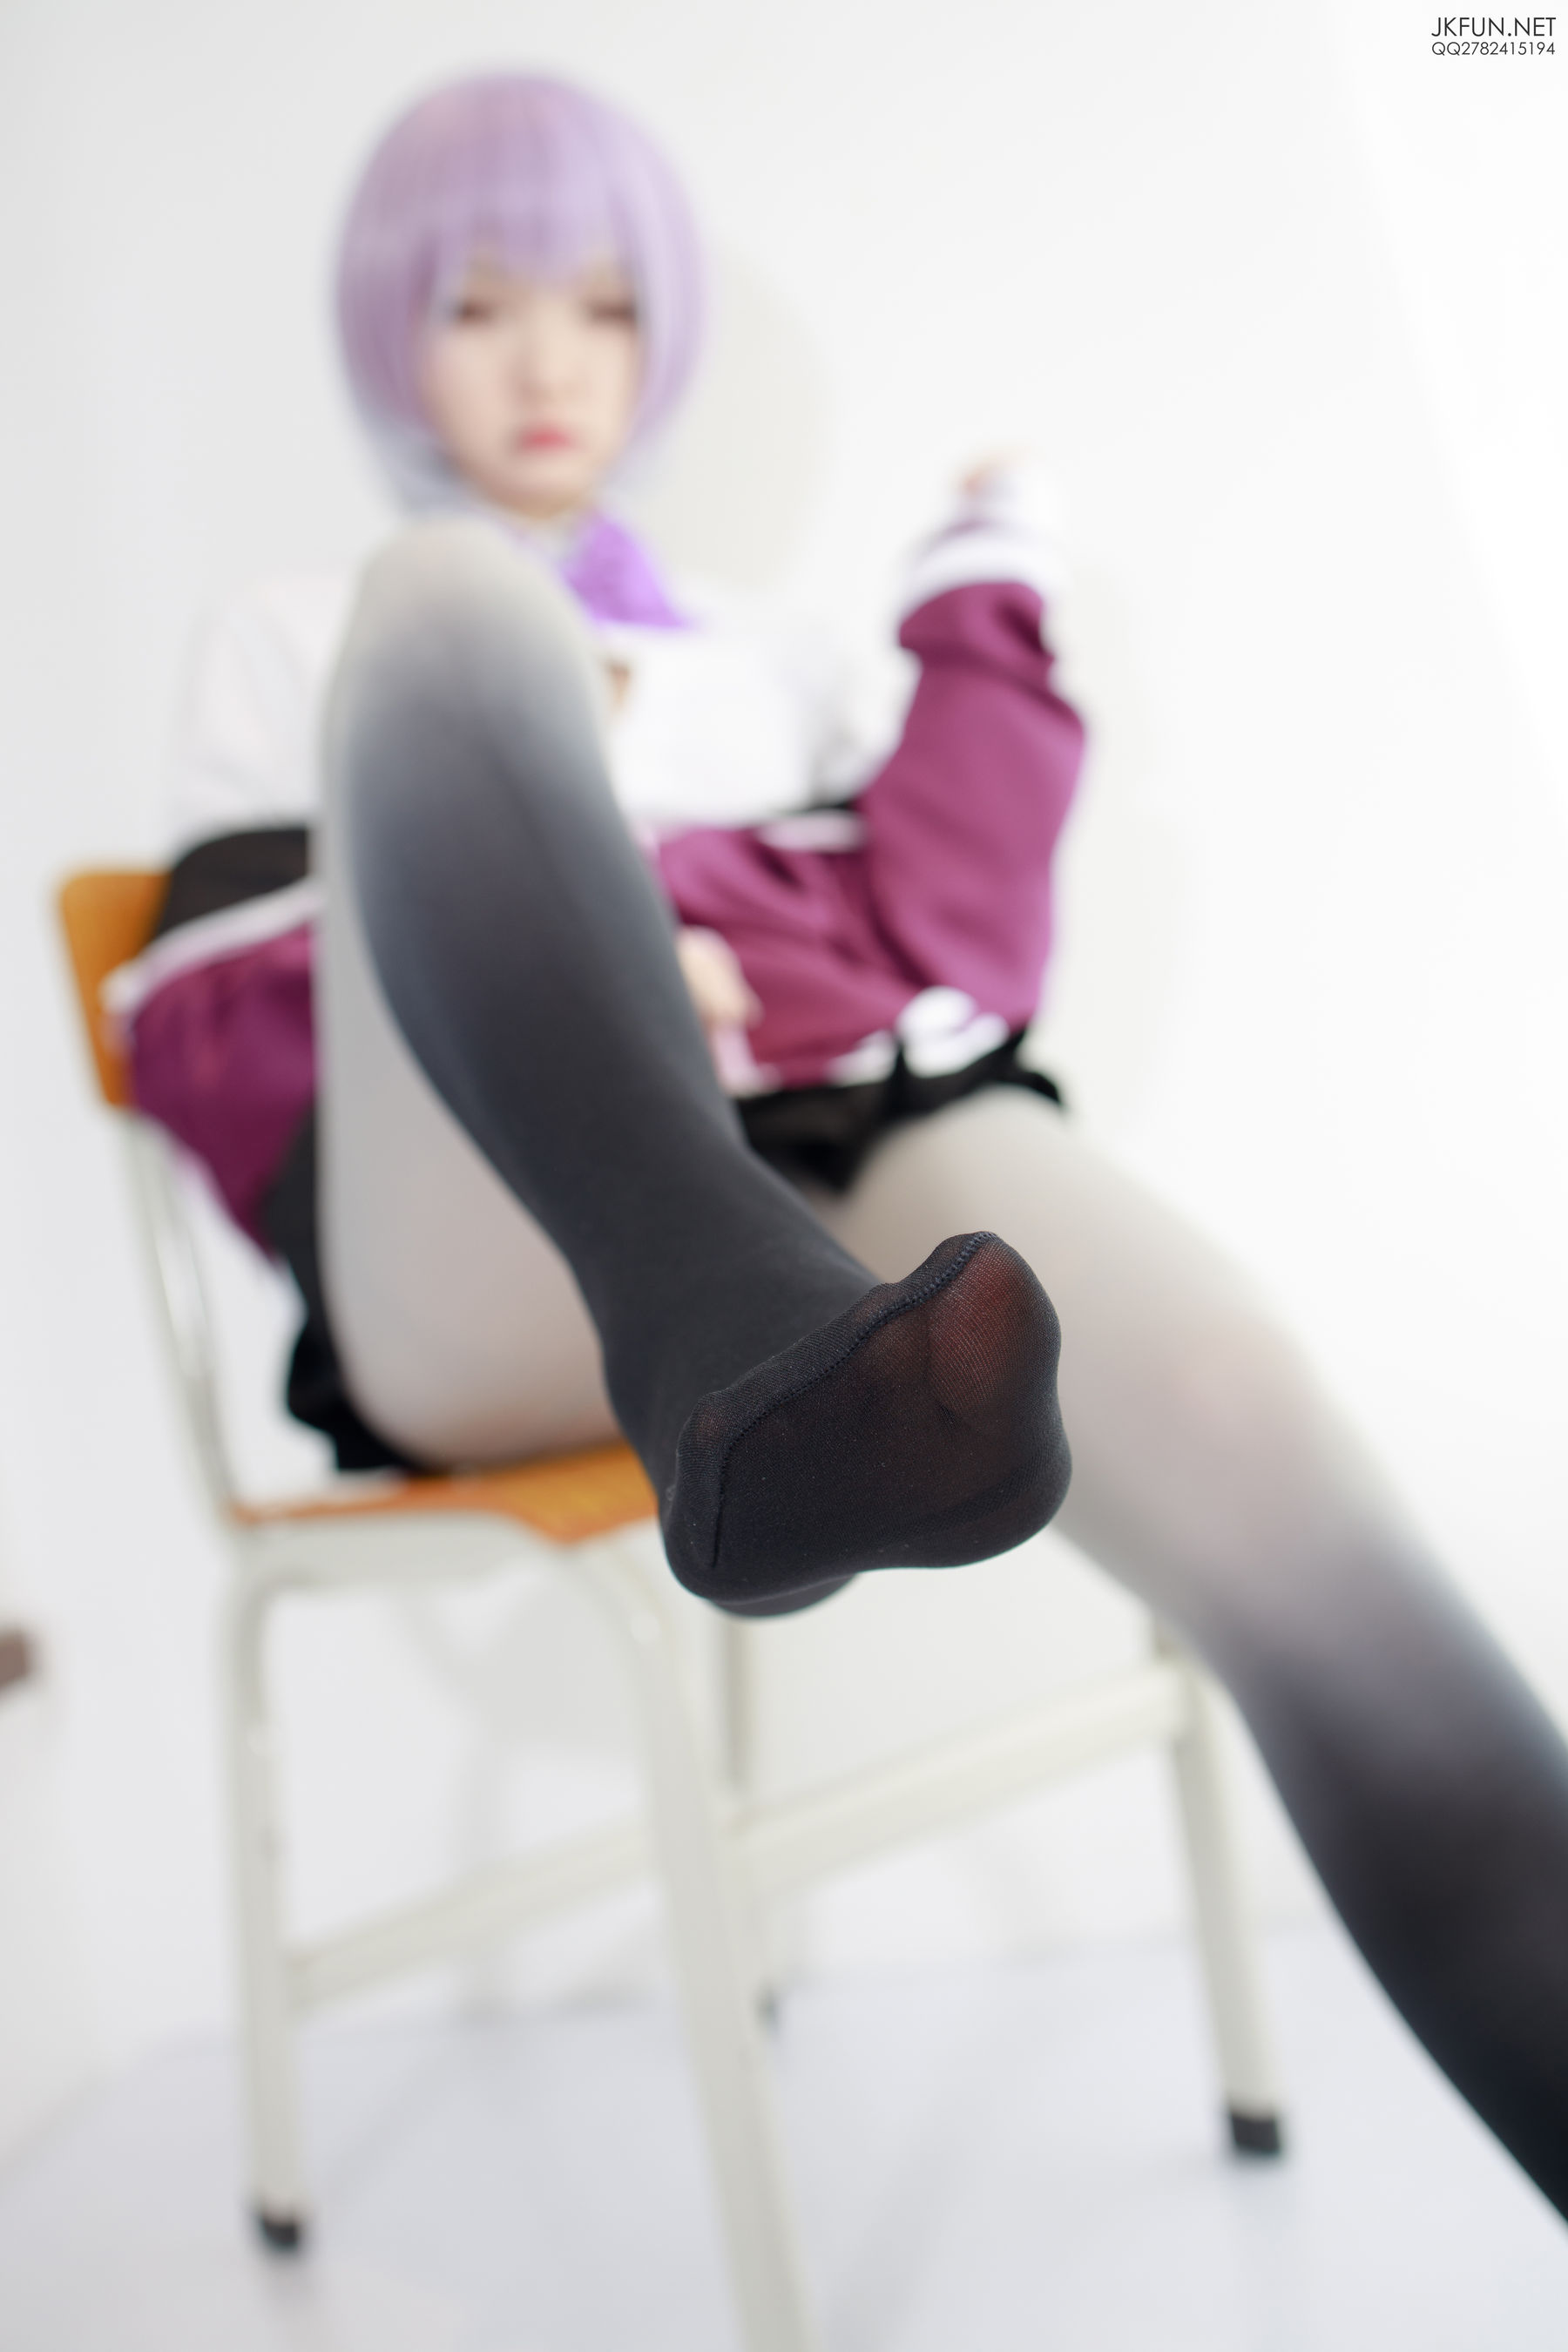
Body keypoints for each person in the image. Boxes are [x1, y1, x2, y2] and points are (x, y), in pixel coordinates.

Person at [110, 72, 1568, 2214]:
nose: (543, 361)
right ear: (391, 334)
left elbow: (959, 953)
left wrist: (979, 587)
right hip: (494, 1236)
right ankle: (723, 1338)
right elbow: (223, 1040)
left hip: (826, 1166)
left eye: (603, 305)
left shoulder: (766, 660)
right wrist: (612, 951)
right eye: (478, 305)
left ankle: (796, 1395)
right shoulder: (299, 636)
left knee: (1236, 1407)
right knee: (458, 600)